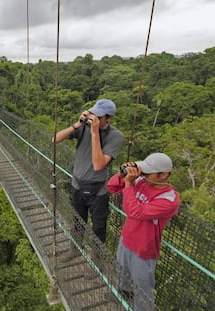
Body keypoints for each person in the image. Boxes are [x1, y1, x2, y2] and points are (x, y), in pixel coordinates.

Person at [105, 153, 180, 310]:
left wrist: (129, 184)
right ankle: (124, 292)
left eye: (147, 172)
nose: (143, 175)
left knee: (142, 284)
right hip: (127, 237)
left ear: (164, 175)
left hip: (144, 248)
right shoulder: (140, 180)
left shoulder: (169, 199)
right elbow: (111, 187)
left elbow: (135, 212)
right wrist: (122, 173)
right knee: (121, 269)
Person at [53, 99, 123, 261]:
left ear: (108, 118)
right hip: (77, 184)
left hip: (98, 190)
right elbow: (55, 139)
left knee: (98, 228)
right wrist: (76, 125)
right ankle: (75, 249)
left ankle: (97, 262)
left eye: (98, 116)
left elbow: (98, 165)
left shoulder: (115, 136)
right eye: (92, 114)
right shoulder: (83, 128)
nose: (93, 118)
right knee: (77, 220)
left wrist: (94, 133)